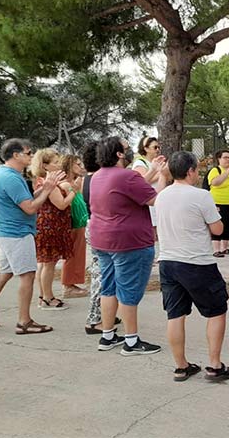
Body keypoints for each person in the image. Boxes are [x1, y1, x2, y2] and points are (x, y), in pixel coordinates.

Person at [156, 151, 229, 382]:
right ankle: (214, 365)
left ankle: (181, 366)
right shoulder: (201, 196)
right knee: (217, 310)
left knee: (175, 314)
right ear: (190, 171)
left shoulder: (161, 196)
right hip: (197, 262)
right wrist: (216, 216)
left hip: (168, 261)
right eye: (196, 169)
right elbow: (218, 230)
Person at [90, 137, 164, 355]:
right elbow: (154, 199)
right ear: (119, 155)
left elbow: (133, 189)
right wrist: (162, 176)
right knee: (129, 290)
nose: (130, 151)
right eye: (126, 149)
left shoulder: (97, 176)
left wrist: (153, 171)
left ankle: (108, 335)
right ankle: (131, 341)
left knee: (109, 287)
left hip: (102, 239)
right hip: (128, 241)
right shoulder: (127, 175)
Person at [0, 138, 63, 334]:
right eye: (28, 153)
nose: (31, 156)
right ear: (16, 155)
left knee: (4, 274)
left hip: (7, 232)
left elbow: (25, 200)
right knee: (27, 275)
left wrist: (44, 187)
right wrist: (47, 189)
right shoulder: (11, 178)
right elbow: (30, 208)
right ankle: (24, 321)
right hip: (16, 234)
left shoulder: (4, 174)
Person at [81, 141, 121, 335]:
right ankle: (94, 319)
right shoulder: (98, 178)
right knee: (101, 274)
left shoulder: (87, 179)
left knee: (104, 272)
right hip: (99, 228)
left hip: (92, 226)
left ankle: (105, 313)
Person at [31, 148, 77, 310]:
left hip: (45, 226)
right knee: (49, 264)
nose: (58, 165)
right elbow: (62, 204)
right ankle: (48, 298)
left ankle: (43, 296)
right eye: (55, 163)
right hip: (51, 227)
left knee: (43, 263)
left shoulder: (41, 181)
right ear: (45, 166)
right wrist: (72, 190)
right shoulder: (50, 184)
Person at [60, 154, 89, 298]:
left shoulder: (76, 182)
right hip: (72, 223)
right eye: (77, 164)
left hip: (80, 222)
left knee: (78, 253)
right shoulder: (65, 184)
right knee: (72, 254)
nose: (81, 166)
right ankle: (68, 285)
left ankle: (73, 282)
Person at [208, 149, 229, 258]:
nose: (228, 159)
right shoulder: (216, 170)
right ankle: (216, 249)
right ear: (219, 159)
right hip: (220, 202)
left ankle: (224, 247)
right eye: (225, 157)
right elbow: (215, 182)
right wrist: (227, 173)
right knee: (219, 224)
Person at [132, 136, 166, 236]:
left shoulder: (155, 162)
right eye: (155, 147)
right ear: (146, 148)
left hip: (157, 200)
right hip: (149, 204)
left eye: (159, 147)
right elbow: (141, 183)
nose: (158, 150)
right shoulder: (140, 163)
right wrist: (160, 173)